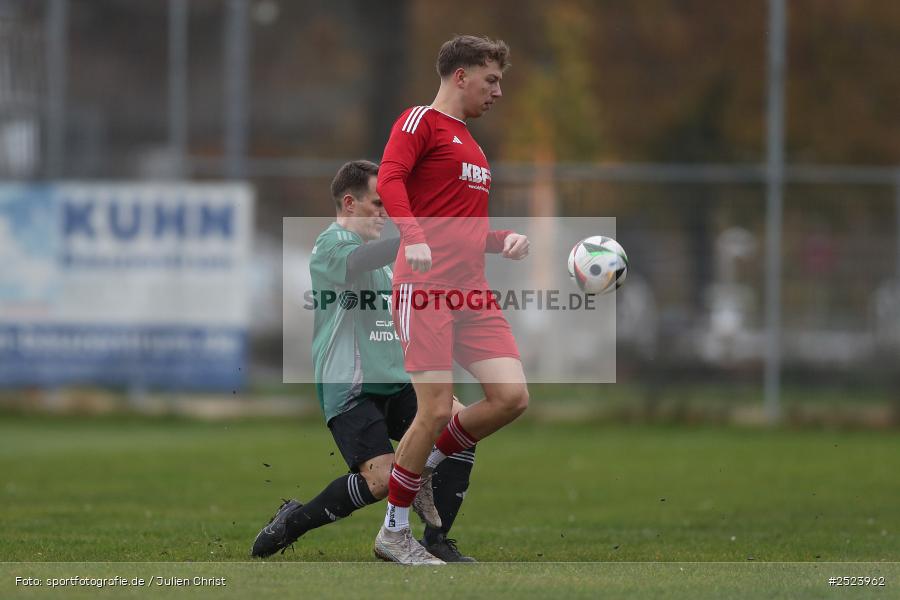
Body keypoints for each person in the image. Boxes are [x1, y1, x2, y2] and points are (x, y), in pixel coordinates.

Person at [250, 160, 477, 562]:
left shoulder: (387, 258)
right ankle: (293, 522)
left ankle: (436, 541)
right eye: (378, 203)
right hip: (350, 386)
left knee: (459, 429)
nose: (386, 212)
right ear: (350, 204)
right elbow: (357, 263)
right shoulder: (330, 244)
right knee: (383, 481)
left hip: (399, 379)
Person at [373, 35, 531, 565]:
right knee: (437, 408)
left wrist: (499, 239)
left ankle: (423, 466)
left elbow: (462, 226)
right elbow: (391, 178)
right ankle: (394, 534)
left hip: (471, 290)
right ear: (459, 75)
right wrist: (413, 236)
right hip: (425, 289)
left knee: (511, 397)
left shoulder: (473, 146)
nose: (499, 91)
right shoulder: (420, 121)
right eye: (492, 79)